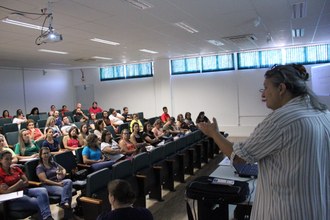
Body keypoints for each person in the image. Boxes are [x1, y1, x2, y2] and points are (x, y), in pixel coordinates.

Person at [197, 64, 330, 220]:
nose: (263, 94)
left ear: (281, 88)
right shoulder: (323, 113)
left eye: (266, 88)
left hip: (286, 210)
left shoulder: (281, 120)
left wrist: (214, 133)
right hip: (318, 208)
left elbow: (240, 158)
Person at [0, 151, 54, 220]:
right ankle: (47, 217)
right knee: (41, 202)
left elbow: (26, 182)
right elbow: (5, 192)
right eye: (6, 159)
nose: (9, 161)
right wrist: (19, 184)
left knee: (42, 190)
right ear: (0, 160)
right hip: (12, 199)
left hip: (23, 191)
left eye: (10, 159)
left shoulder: (16, 169)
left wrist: (11, 188)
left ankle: (46, 217)